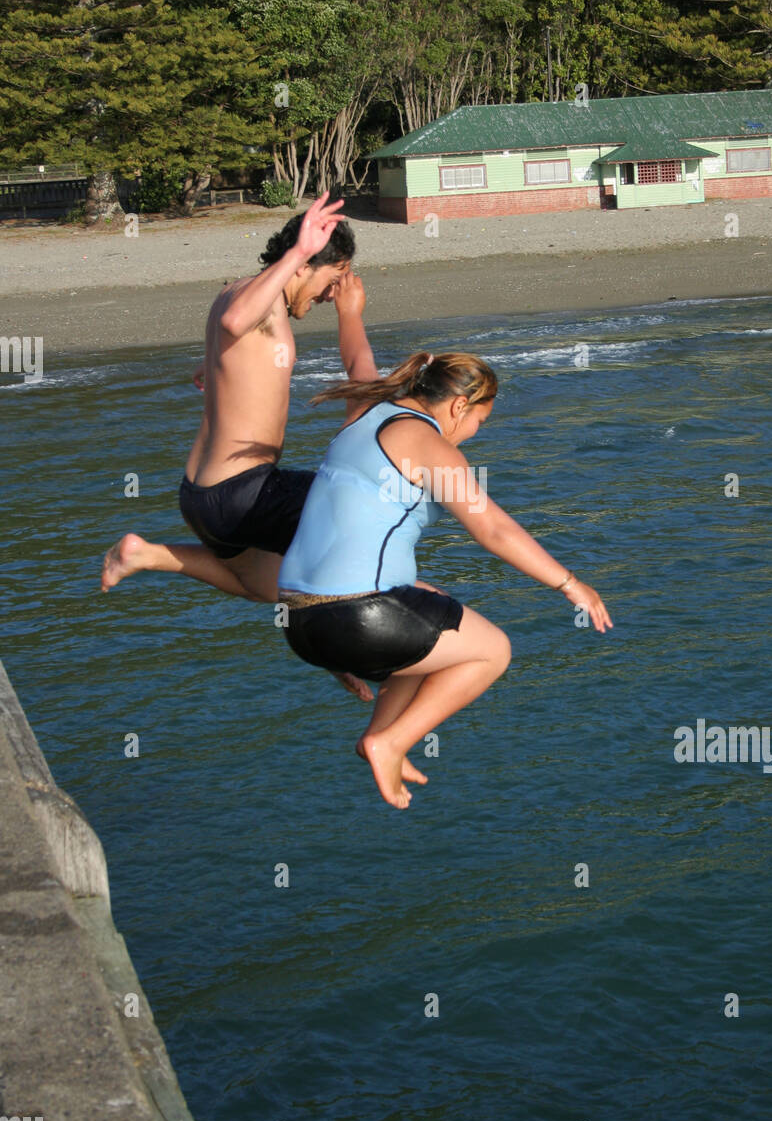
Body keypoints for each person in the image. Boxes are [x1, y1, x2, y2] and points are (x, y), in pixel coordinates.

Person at [277, 351, 613, 810]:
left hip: (299, 623)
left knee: (432, 605)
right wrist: (571, 584)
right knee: (493, 649)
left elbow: (358, 359)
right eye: (480, 420)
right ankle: (390, 743)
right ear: (459, 406)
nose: (476, 432)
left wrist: (348, 308)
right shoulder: (429, 444)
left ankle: (381, 738)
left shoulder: (365, 415)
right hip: (357, 617)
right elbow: (492, 529)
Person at [101, 191, 375, 699]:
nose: (328, 297)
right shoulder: (263, 303)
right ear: (312, 261)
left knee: (268, 588)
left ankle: (147, 554)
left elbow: (224, 344)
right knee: (362, 508)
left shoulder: (236, 292)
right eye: (332, 282)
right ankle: (345, 640)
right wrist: (304, 259)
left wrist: (217, 373)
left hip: (203, 499)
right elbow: (234, 325)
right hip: (242, 492)